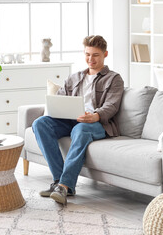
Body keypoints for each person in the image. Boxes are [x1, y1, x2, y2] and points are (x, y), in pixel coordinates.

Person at [32, 35, 124, 205]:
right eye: (87, 54)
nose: (91, 59)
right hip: (70, 120)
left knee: (80, 129)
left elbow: (111, 106)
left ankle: (65, 185)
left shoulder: (114, 79)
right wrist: (57, 110)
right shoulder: (74, 77)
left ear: (105, 54)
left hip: (97, 123)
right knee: (40, 124)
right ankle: (60, 183)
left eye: (96, 55)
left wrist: (94, 116)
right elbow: (60, 99)